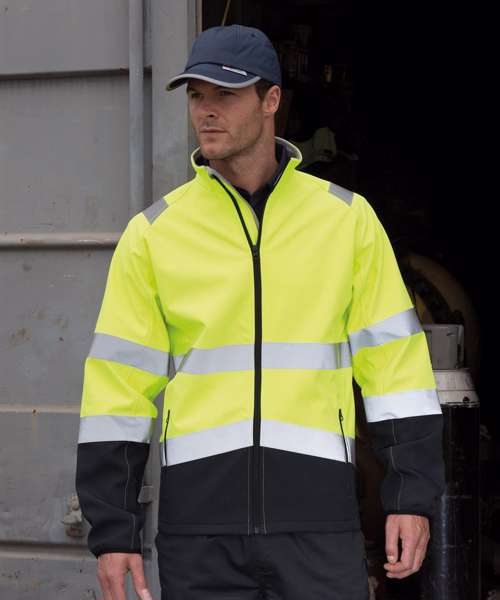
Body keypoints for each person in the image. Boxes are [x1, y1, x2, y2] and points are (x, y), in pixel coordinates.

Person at [75, 24, 445, 600]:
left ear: (271, 100)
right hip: (199, 531)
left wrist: (410, 498)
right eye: (196, 95)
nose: (206, 111)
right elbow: (116, 391)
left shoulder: (346, 221)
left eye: (225, 94)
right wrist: (113, 530)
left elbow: (396, 370)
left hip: (319, 522)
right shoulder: (153, 235)